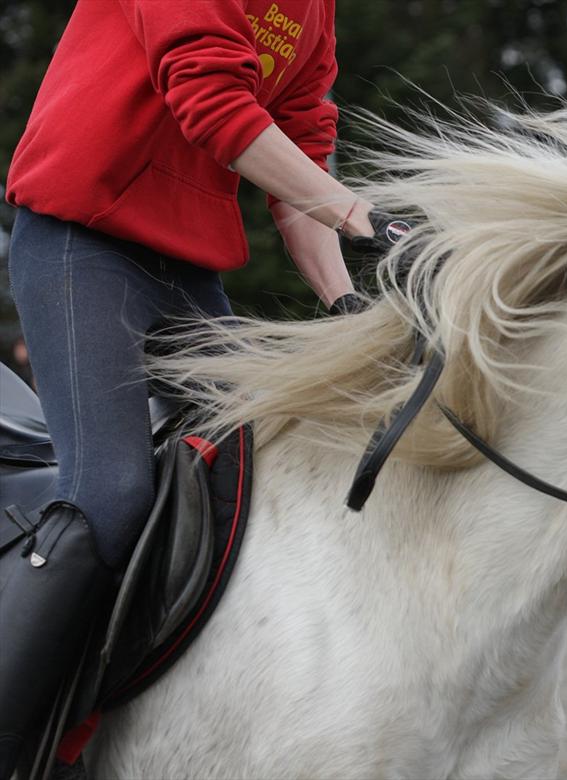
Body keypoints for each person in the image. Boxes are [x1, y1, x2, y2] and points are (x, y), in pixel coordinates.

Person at [0, 1, 388, 771]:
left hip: (184, 267)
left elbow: (303, 164)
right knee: (110, 496)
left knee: (269, 480)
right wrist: (357, 212)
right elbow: (210, 98)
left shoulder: (315, 10)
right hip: (83, 241)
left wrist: (351, 312)